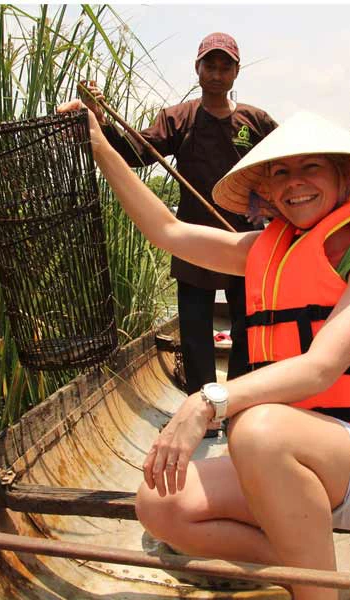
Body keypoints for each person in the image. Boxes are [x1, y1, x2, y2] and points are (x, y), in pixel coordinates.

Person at [56, 101, 350, 600]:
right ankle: (311, 569)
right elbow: (168, 231)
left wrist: (205, 400)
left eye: (310, 167)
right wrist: (99, 146)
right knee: (160, 504)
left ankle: (317, 593)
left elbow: (320, 369)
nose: (295, 182)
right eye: (280, 172)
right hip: (287, 457)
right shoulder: (266, 249)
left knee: (256, 427)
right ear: (268, 191)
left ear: (343, 175)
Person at [80, 32, 278, 396]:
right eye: (210, 66)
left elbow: (284, 166)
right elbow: (134, 153)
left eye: (225, 67)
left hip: (246, 238)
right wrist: (100, 121)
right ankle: (202, 403)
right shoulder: (178, 119)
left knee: (250, 326)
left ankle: (239, 397)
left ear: (236, 72)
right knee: (194, 327)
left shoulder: (255, 121)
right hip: (192, 241)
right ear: (197, 69)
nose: (217, 74)